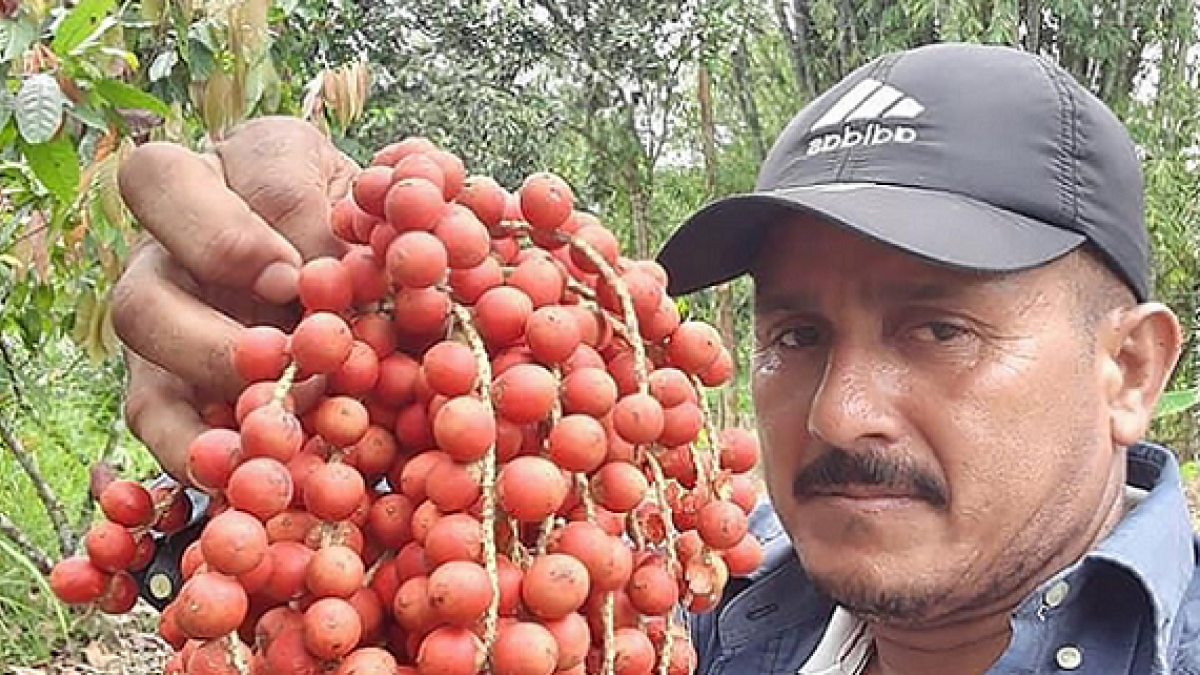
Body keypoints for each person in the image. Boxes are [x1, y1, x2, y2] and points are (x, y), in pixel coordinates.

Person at [112, 42, 1198, 674]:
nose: (836, 415)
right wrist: (267, 408)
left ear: (1131, 373)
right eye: (796, 336)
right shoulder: (700, 590)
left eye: (939, 328)